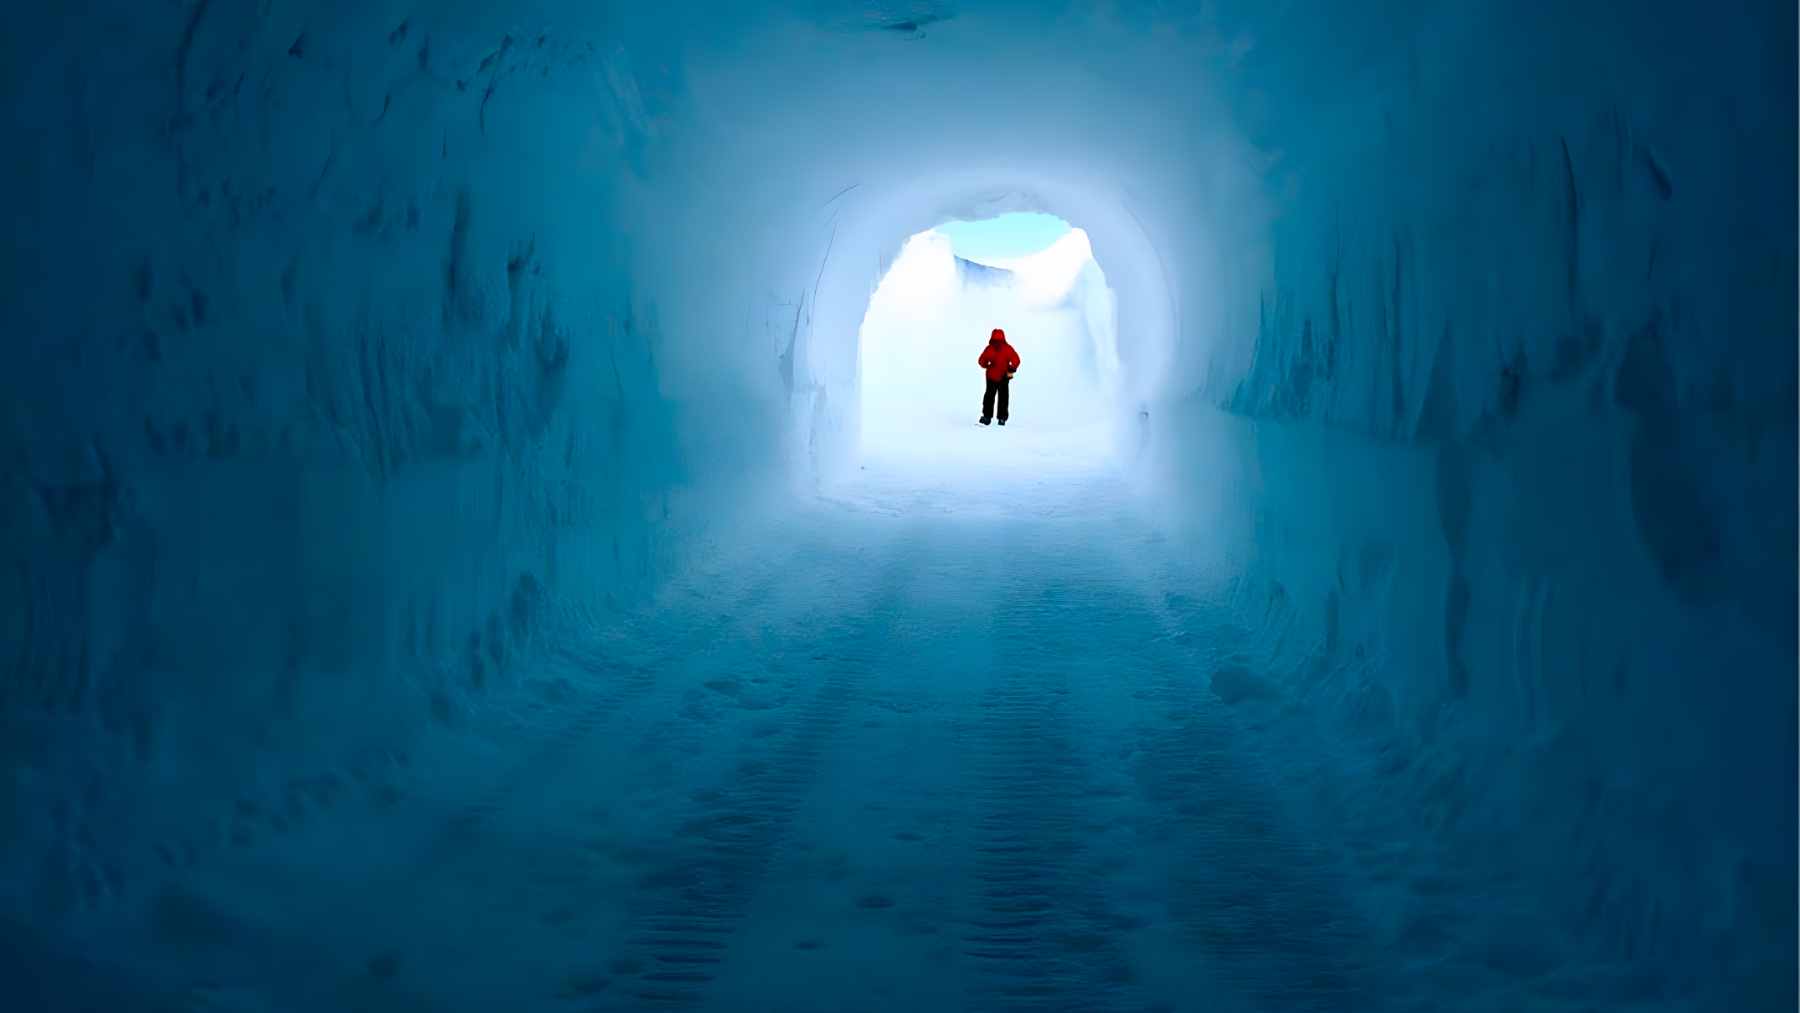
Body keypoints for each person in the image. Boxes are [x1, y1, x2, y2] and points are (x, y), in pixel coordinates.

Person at [977, 328, 1021, 426]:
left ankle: (987, 417)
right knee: (1003, 398)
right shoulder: (1007, 348)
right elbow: (1017, 360)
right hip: (1003, 377)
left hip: (991, 377)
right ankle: (1002, 419)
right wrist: (1011, 369)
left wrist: (986, 365)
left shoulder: (989, 349)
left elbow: (981, 361)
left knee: (989, 397)